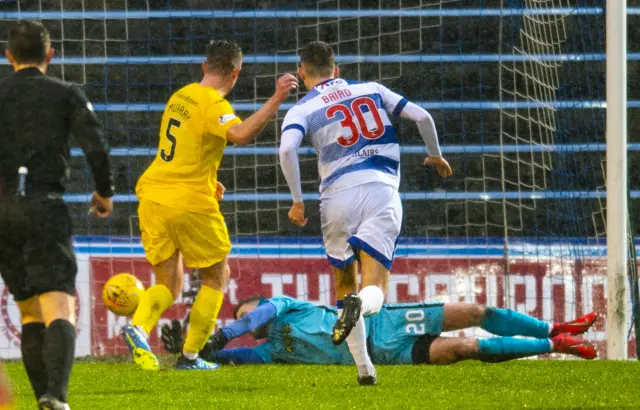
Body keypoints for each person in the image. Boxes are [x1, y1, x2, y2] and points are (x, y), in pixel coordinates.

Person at [278, 41, 453, 384]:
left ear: (302, 71)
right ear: (337, 69)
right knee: (374, 286)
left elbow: (287, 150)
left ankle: (364, 370)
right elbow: (423, 116)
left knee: (345, 282)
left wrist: (297, 201)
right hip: (380, 189)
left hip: (336, 197)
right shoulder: (371, 89)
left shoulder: (301, 108)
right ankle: (362, 306)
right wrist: (434, 154)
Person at [121, 40, 298, 371]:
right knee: (218, 276)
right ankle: (190, 358)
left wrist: (207, 178)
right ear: (236, 72)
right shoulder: (212, 104)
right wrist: (277, 98)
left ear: (204, 66)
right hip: (187, 201)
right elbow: (241, 134)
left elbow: (182, 148)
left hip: (153, 194)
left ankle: (138, 327)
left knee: (168, 285)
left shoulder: (181, 96)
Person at [0, 20, 114, 410]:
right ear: (50, 55)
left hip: (2, 210)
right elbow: (96, 146)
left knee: (29, 310)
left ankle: (43, 401)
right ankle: (57, 397)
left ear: (8, 55)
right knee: (60, 305)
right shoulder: (65, 94)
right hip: (44, 204)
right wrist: (105, 192)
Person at [161, 295, 598, 367]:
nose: (249, 315)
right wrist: (194, 349)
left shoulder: (283, 307)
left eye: (248, 309)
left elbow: (249, 321)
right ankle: (555, 344)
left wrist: (220, 332)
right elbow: (232, 358)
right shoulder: (273, 354)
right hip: (386, 355)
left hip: (384, 321)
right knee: (463, 349)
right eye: (245, 316)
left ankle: (552, 325)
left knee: (474, 311)